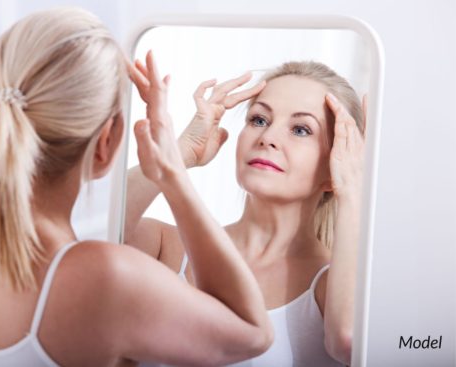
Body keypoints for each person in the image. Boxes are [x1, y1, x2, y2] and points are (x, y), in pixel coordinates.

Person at [0, 8, 274, 366]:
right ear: (108, 142)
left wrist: (180, 153)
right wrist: (172, 173)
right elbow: (252, 333)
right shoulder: (103, 280)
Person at [126, 60, 366, 366]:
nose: (267, 138)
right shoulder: (165, 246)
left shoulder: (330, 288)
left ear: (336, 164)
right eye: (259, 120)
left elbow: (347, 341)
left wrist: (354, 190)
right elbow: (83, 244)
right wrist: (178, 154)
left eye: (301, 129)